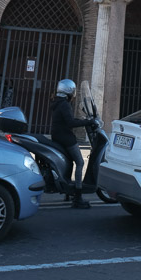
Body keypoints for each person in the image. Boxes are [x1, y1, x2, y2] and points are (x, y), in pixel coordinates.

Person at [50, 79, 93, 209]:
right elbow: (70, 123)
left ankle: (68, 193)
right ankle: (78, 196)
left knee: (69, 161)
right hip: (65, 137)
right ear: (70, 91)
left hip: (57, 135)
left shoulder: (57, 102)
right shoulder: (64, 104)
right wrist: (87, 122)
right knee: (80, 162)